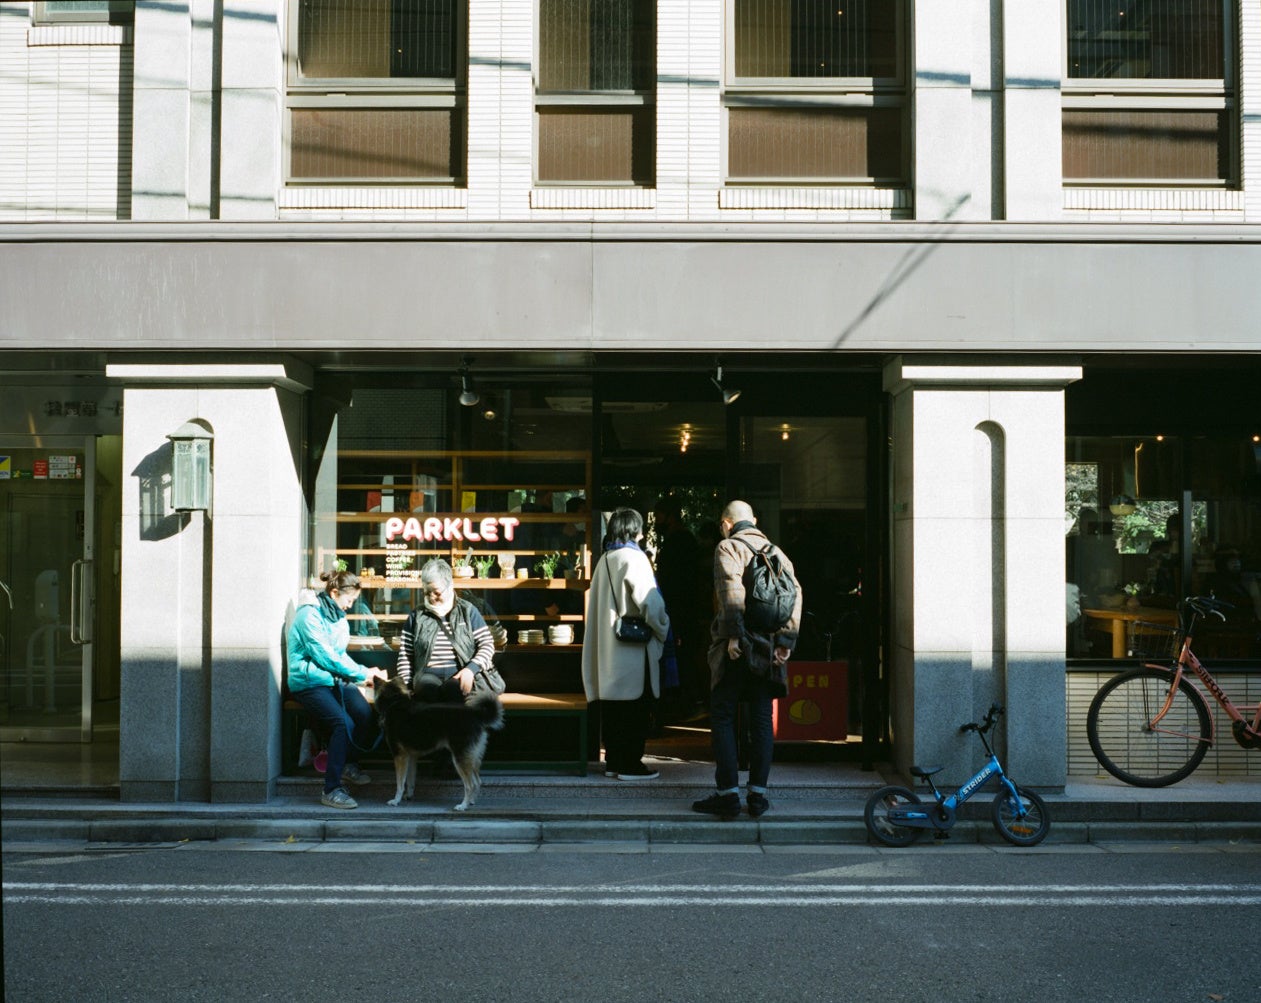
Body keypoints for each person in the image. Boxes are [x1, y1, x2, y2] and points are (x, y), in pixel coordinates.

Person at [693, 499, 803, 820]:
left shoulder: (728, 548)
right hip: (768, 651)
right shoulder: (778, 553)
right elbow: (795, 597)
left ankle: (727, 796)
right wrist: (786, 642)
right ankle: (758, 797)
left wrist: (733, 636)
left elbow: (731, 592)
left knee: (723, 716)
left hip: (737, 649)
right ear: (753, 520)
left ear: (726, 524)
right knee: (761, 720)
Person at [581, 507, 670, 780]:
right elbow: (650, 602)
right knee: (635, 707)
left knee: (614, 707)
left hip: (607, 648)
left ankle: (615, 762)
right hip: (632, 649)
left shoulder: (604, 559)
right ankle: (631, 764)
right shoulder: (635, 559)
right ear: (634, 530)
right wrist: (663, 627)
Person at [286, 570, 388, 810]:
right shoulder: (308, 616)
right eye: (349, 600)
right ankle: (331, 789)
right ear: (334, 593)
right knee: (343, 724)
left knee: (364, 713)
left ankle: (348, 765)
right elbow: (325, 656)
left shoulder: (338, 617)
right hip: (309, 682)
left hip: (333, 679)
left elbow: (340, 656)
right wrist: (364, 675)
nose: (350, 606)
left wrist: (364, 672)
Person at [396, 558, 498, 703]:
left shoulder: (467, 611)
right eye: (426, 593)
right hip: (426, 676)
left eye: (436, 593)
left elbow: (487, 645)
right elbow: (405, 655)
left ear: (450, 586)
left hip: (461, 673)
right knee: (426, 691)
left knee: (454, 691)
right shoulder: (416, 616)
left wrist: (471, 670)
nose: (431, 598)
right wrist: (407, 686)